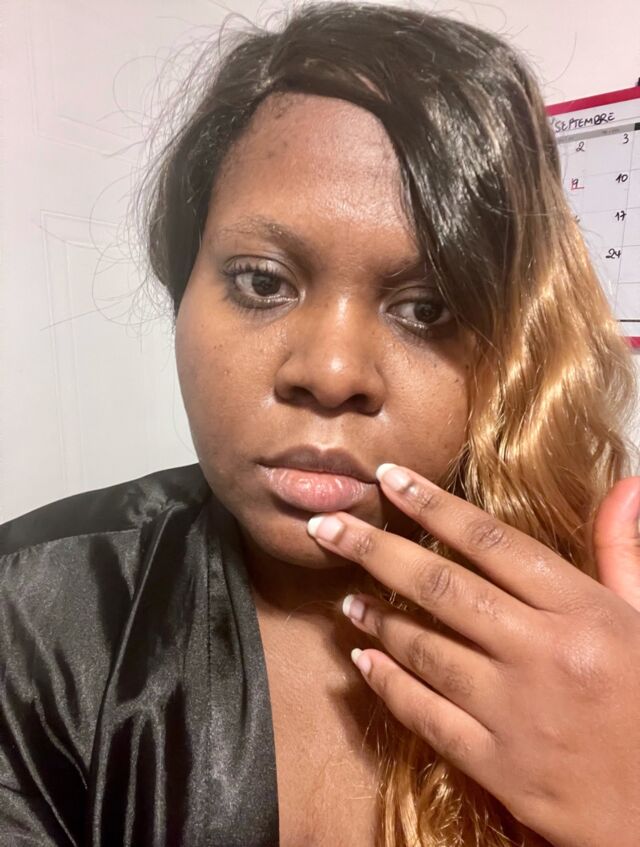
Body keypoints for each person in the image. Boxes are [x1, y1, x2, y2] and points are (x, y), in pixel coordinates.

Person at [1, 2, 639, 845]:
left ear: (511, 345)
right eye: (263, 281)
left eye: (428, 307)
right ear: (182, 290)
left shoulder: (610, 633)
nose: (332, 373)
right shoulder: (34, 615)